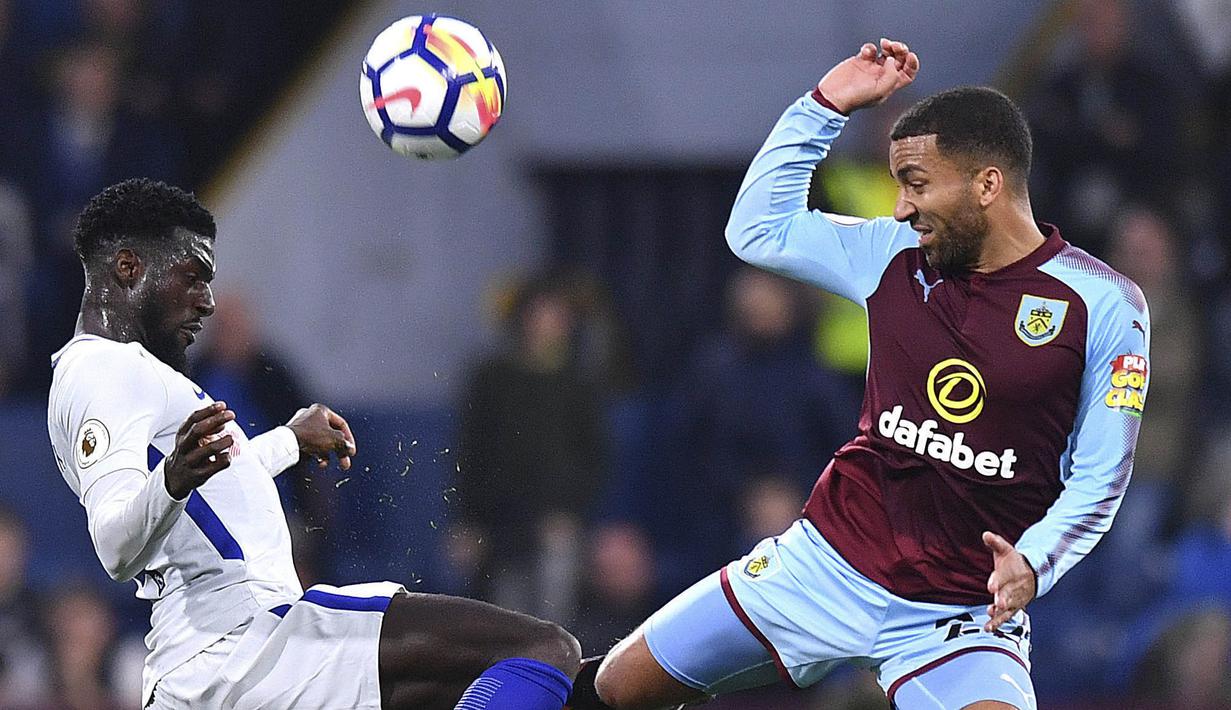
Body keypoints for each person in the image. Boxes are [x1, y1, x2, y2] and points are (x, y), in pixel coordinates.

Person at [566, 39, 1150, 710]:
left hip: (956, 617)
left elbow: (1100, 475)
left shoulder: (1101, 303)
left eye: (917, 184)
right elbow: (756, 230)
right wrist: (824, 106)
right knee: (614, 687)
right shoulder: (890, 254)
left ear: (987, 184)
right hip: (822, 567)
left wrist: (1034, 562)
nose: (901, 207)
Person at [46, 179, 581, 710]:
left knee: (513, 683)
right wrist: (172, 480)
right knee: (539, 652)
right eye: (193, 277)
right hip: (245, 647)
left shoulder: (121, 373)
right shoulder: (103, 371)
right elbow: (114, 544)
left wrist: (287, 442)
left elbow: (211, 492)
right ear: (128, 268)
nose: (206, 301)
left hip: (220, 662)